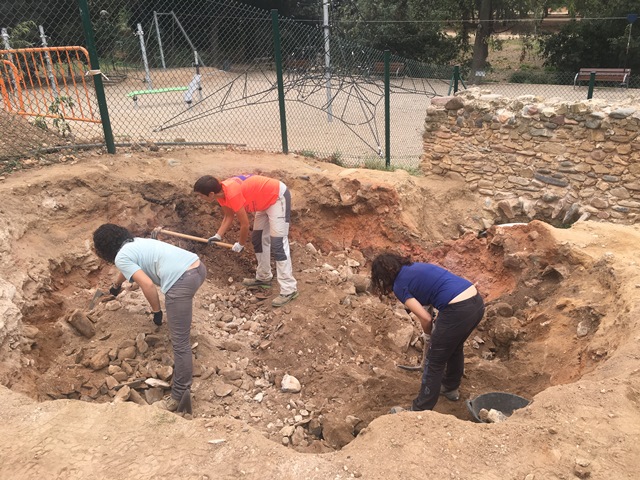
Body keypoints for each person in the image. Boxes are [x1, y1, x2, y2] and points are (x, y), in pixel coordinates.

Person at [92, 223, 206, 413]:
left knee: (180, 343)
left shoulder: (121, 257)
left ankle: (178, 397)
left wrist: (156, 312)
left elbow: (147, 285)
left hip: (181, 281)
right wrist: (116, 285)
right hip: (198, 268)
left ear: (105, 250)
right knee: (180, 328)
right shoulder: (135, 243)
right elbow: (129, 267)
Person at [371, 253, 485, 412]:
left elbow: (425, 318)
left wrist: (429, 335)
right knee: (455, 347)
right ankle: (450, 388)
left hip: (457, 309)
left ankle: (419, 409)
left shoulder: (399, 285)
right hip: (476, 302)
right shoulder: (417, 267)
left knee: (435, 360)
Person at [193, 174, 298, 307]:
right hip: (263, 202)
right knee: (258, 239)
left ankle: (289, 289)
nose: (199, 198)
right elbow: (228, 216)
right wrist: (218, 235)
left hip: (277, 197)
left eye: (201, 195)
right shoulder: (221, 194)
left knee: (278, 243)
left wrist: (241, 244)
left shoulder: (232, 194)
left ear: (211, 194)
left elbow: (245, 225)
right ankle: (264, 277)